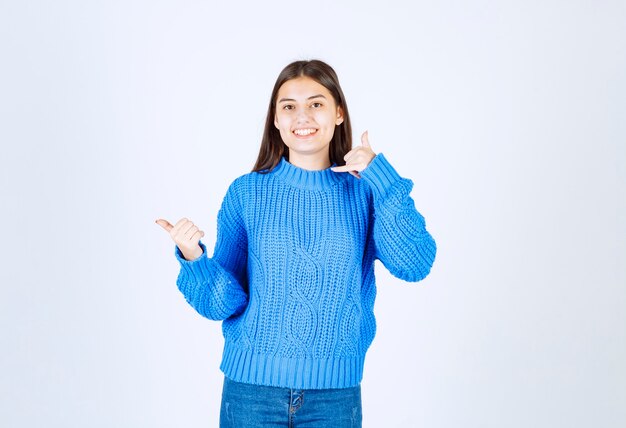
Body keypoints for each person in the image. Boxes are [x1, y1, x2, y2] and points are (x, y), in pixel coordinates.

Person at [156, 59, 437, 427]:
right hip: (251, 393)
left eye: (316, 104)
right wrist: (193, 258)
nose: (302, 116)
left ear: (338, 113)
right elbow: (225, 303)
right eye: (289, 106)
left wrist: (381, 177)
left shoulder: (366, 192)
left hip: (334, 398)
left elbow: (415, 263)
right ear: (276, 119)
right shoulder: (247, 193)